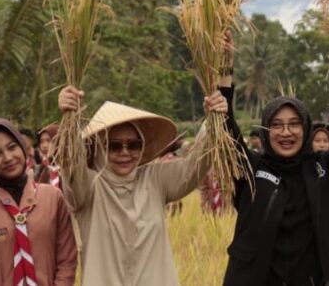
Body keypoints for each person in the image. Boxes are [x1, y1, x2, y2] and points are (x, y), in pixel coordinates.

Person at [221, 48, 329, 286]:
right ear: (265, 131)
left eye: (294, 124)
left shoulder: (323, 169)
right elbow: (225, 133)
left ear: (306, 130)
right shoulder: (251, 169)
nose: (286, 132)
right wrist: (224, 70)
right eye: (277, 125)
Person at [57, 84, 228, 286]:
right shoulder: (89, 187)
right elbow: (72, 166)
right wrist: (70, 119)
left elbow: (195, 165)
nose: (125, 152)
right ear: (100, 148)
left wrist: (214, 119)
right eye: (114, 146)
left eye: (134, 144)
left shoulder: (154, 179)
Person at [0, 118, 77, 286]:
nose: (8, 158)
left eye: (12, 147)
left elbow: (67, 260)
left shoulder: (52, 197)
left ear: (23, 147)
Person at [34, 123, 61, 188]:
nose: (44, 145)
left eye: (48, 141)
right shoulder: (43, 168)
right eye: (41, 142)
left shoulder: (68, 170)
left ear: (58, 141)